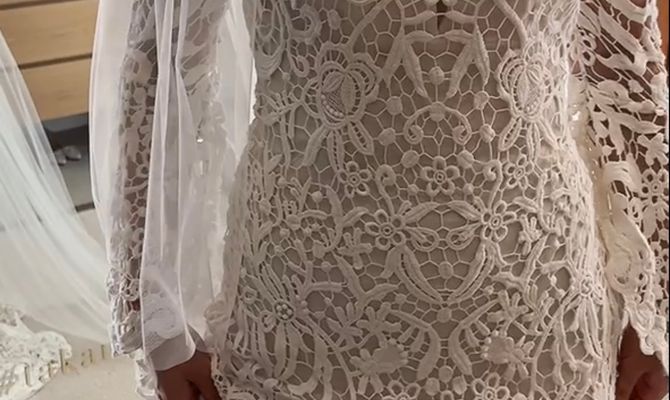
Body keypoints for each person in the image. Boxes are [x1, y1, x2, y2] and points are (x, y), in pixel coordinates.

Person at [90, 0, 669, 399]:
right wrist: (158, 325)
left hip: (543, 307)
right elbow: (158, 74)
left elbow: (628, 83)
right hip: (308, 312)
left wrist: (658, 313)